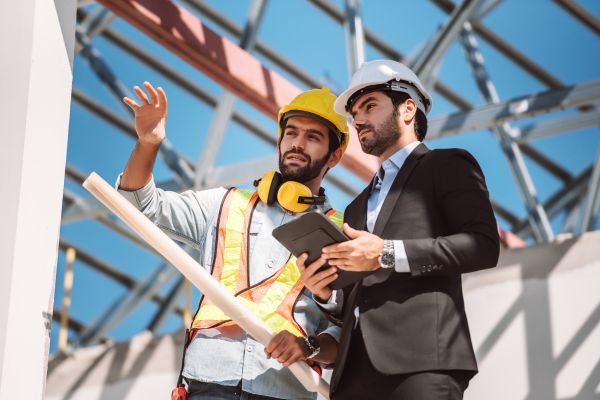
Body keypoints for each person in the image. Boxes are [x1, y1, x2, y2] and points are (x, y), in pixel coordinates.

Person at [117, 82, 350, 400]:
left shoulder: (342, 234)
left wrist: (308, 346)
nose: (297, 143)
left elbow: (346, 333)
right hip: (207, 382)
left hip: (284, 389)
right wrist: (148, 143)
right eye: (291, 133)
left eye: (313, 137)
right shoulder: (224, 204)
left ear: (334, 155)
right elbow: (136, 208)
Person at [299, 60, 500, 399]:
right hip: (352, 379)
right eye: (353, 114)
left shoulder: (446, 165)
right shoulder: (356, 206)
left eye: (369, 106)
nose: (358, 120)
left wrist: (386, 253)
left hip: (422, 365)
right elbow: (353, 298)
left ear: (408, 109)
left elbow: (482, 246)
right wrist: (325, 293)